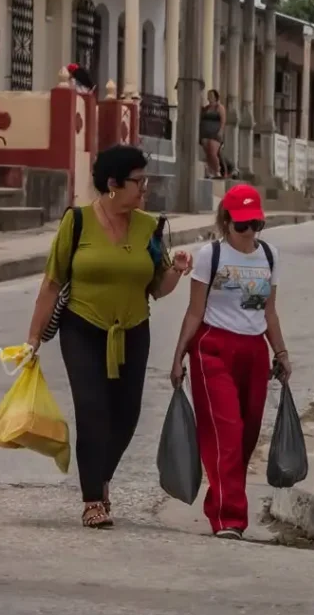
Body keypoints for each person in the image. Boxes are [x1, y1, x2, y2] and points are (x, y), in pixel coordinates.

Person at [25, 144, 193, 529]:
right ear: (114, 184)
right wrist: (32, 338)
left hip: (133, 329)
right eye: (139, 181)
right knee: (92, 410)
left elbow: (157, 288)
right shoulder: (77, 222)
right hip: (82, 328)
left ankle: (101, 476)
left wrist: (176, 270)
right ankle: (92, 500)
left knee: (127, 415)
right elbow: (52, 283)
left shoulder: (150, 228)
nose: (145, 189)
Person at [170, 183, 291, 540]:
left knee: (247, 435)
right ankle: (229, 518)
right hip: (213, 348)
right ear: (226, 221)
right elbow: (194, 311)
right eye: (242, 225)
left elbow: (270, 311)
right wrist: (178, 356)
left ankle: (222, 498)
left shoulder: (269, 256)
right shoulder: (210, 256)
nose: (249, 232)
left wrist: (281, 353)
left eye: (256, 224)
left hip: (254, 351)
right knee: (226, 433)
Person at [200, 89, 226, 178]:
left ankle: (217, 170)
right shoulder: (206, 108)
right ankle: (210, 171)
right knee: (208, 153)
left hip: (215, 133)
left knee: (213, 152)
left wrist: (221, 131)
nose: (209, 97)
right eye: (208, 95)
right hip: (205, 132)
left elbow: (223, 120)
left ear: (215, 97)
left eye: (211, 95)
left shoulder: (219, 107)